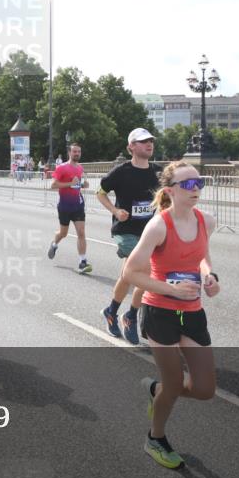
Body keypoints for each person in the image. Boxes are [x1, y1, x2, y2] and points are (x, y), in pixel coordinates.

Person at [123, 161, 219, 469]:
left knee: (205, 389)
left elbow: (202, 256)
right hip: (160, 313)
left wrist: (209, 275)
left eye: (199, 182)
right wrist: (171, 289)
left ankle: (156, 390)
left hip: (192, 313)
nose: (196, 189)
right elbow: (130, 273)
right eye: (188, 185)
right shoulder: (159, 226)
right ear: (170, 191)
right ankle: (156, 437)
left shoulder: (207, 220)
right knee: (175, 384)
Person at [97, 128, 160, 344]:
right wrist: (115, 211)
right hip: (125, 231)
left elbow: (168, 195)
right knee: (146, 271)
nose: (148, 144)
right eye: (143, 141)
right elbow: (100, 192)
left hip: (149, 233)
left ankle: (112, 311)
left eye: (150, 141)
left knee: (128, 274)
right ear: (131, 147)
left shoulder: (158, 172)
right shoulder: (121, 171)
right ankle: (131, 316)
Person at [47, 142, 92, 273]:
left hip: (78, 205)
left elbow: (78, 184)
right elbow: (53, 185)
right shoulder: (61, 167)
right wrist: (69, 184)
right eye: (74, 151)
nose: (77, 154)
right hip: (64, 206)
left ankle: (82, 262)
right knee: (63, 233)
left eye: (79, 152)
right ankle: (54, 244)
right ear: (69, 153)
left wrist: (84, 184)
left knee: (81, 233)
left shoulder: (80, 168)